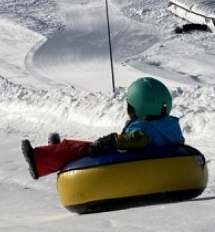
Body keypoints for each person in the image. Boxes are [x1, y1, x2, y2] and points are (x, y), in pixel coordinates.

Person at [21, 77, 185, 180]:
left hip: (129, 166)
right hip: (143, 161)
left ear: (138, 107)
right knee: (84, 149)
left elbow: (136, 140)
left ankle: (38, 160)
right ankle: (55, 151)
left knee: (82, 149)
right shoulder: (168, 126)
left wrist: (111, 141)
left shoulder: (146, 130)